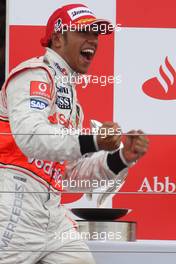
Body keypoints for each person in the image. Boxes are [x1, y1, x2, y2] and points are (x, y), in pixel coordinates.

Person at [0, 3, 149, 264]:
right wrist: (93, 140)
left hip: (51, 213)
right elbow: (31, 139)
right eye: (84, 32)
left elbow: (70, 174)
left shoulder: (72, 104)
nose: (93, 40)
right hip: (12, 204)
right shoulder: (35, 74)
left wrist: (120, 158)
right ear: (58, 38)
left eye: (96, 34)